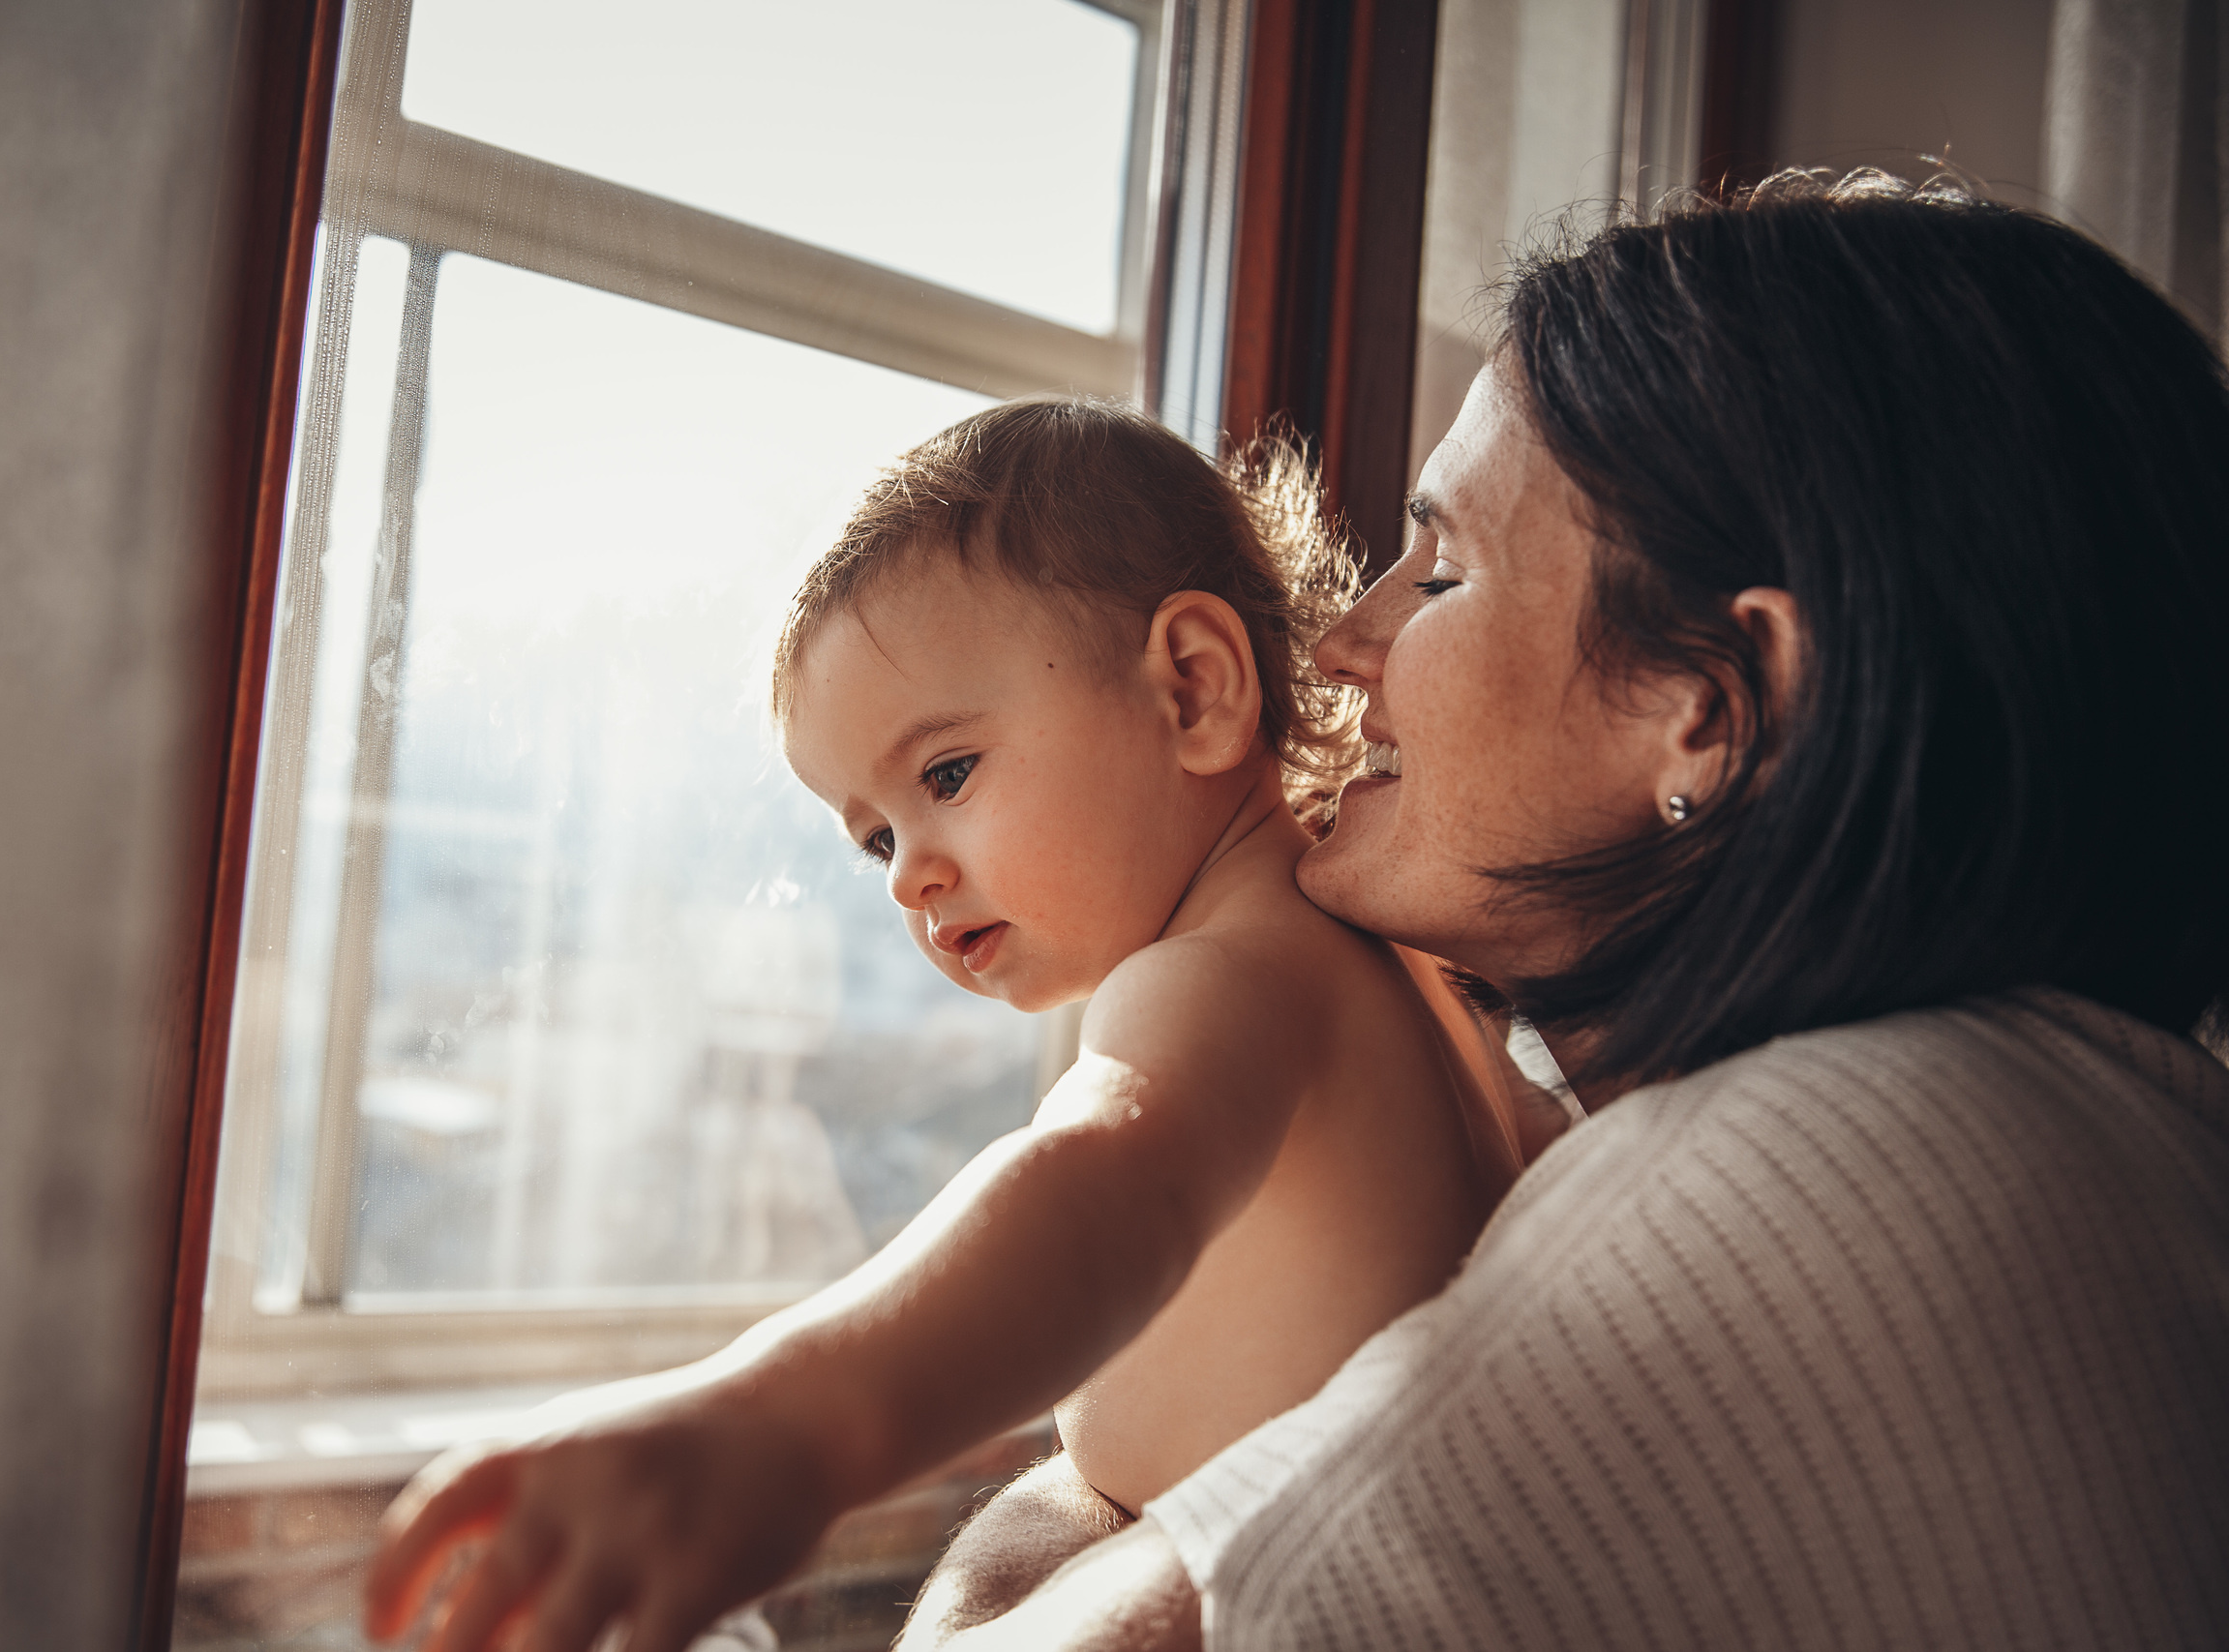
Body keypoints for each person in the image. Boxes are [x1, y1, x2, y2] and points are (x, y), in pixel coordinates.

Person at [902, 170, 2229, 1650]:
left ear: (1707, 715)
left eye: (1446, 567)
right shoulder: (2094, 1119)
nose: (1345, 642)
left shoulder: (1816, 1168)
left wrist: (1074, 1491)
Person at [361, 402, 1525, 1652]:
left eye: (948, 776)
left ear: (1193, 689)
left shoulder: (1225, 977)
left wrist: (776, 1428)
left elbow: (1095, 1192)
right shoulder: (1394, 971)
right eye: (874, 837)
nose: (910, 875)